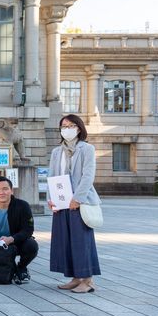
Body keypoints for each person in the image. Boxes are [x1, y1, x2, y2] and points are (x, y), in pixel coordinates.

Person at [48, 114, 101, 294]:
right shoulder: (57, 152)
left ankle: (87, 280)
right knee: (65, 240)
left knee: (81, 241)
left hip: (80, 202)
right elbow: (52, 176)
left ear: (78, 128)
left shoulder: (87, 149)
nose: (67, 129)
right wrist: (51, 198)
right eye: (64, 125)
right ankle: (75, 277)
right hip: (62, 202)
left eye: (71, 125)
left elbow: (88, 175)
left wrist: (77, 198)